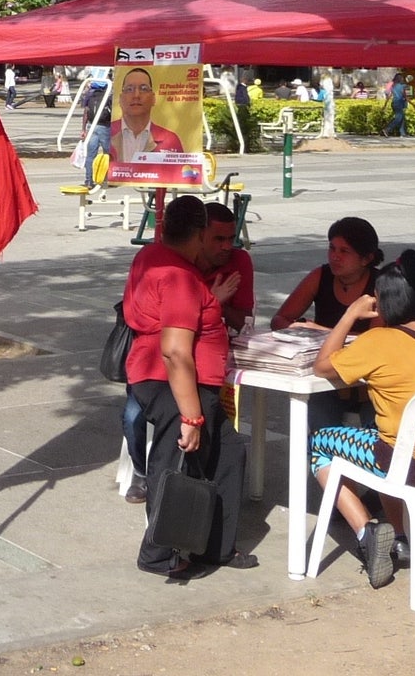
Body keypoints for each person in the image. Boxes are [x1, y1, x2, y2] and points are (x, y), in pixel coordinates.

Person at [310, 250, 415, 589]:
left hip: (405, 461)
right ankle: (399, 537)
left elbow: (322, 366)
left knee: (320, 443)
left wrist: (350, 314)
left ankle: (367, 532)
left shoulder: (380, 340)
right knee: (378, 429)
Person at [122, 196, 255, 578]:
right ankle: (158, 554)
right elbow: (176, 352)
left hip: (167, 378)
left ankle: (216, 547)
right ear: (199, 234)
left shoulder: (152, 255)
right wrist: (191, 417)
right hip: (173, 384)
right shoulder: (179, 276)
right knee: (172, 463)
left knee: (228, 452)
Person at [274, 216, 384, 432]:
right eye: (332, 248)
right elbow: (280, 319)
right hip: (325, 378)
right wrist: (296, 330)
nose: (335, 257)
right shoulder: (320, 276)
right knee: (319, 424)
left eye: (344, 251)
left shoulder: (380, 285)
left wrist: (318, 330)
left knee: (376, 432)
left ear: (366, 258)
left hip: (368, 383)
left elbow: (376, 339)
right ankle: (322, 452)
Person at [108, 66, 185, 163]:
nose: (136, 95)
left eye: (143, 89)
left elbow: (180, 171)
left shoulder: (170, 140)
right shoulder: (107, 134)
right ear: (120, 99)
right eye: (129, 89)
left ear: (153, 98)